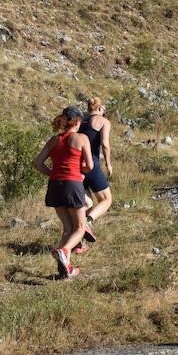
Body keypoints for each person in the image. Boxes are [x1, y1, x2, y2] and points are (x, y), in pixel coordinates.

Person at [34, 106, 94, 280]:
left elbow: (37, 163)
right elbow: (89, 166)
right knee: (80, 228)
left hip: (55, 185)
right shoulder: (81, 138)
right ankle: (64, 251)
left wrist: (53, 173)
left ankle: (64, 269)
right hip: (72, 184)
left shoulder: (54, 140)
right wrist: (80, 170)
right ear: (77, 121)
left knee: (68, 228)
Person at [78, 97, 113, 245]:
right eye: (103, 108)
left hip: (77, 166)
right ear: (99, 108)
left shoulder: (80, 121)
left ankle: (79, 242)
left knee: (87, 204)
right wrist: (108, 164)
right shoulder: (103, 121)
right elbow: (105, 144)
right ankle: (88, 222)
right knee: (106, 199)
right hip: (91, 164)